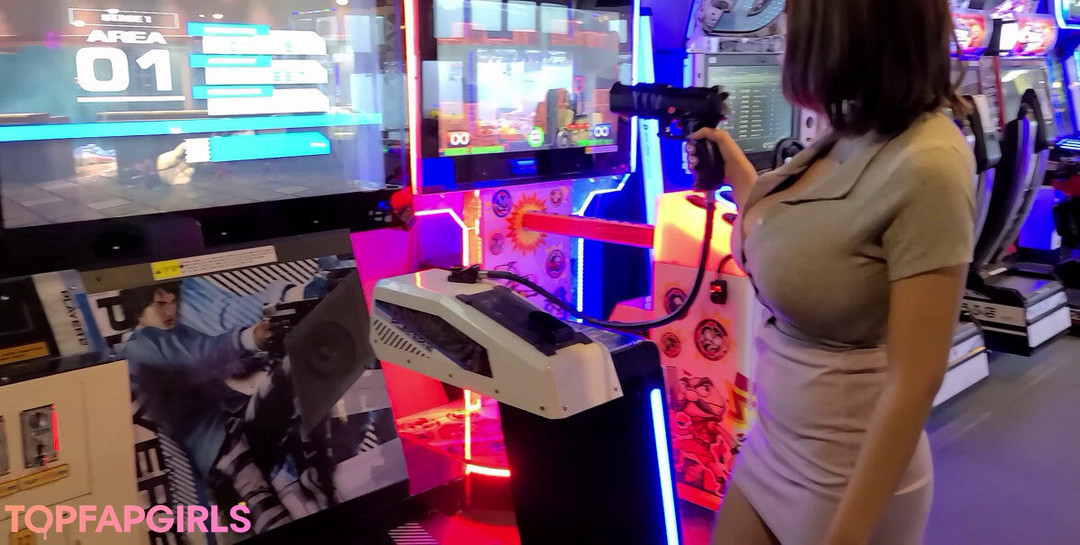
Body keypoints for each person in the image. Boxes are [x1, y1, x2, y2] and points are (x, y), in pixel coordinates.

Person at [689, 1, 975, 544]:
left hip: (846, 478)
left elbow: (916, 381)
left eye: (796, 16)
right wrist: (737, 174)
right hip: (773, 445)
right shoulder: (853, 128)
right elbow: (809, 246)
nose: (785, 30)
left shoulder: (929, 163)